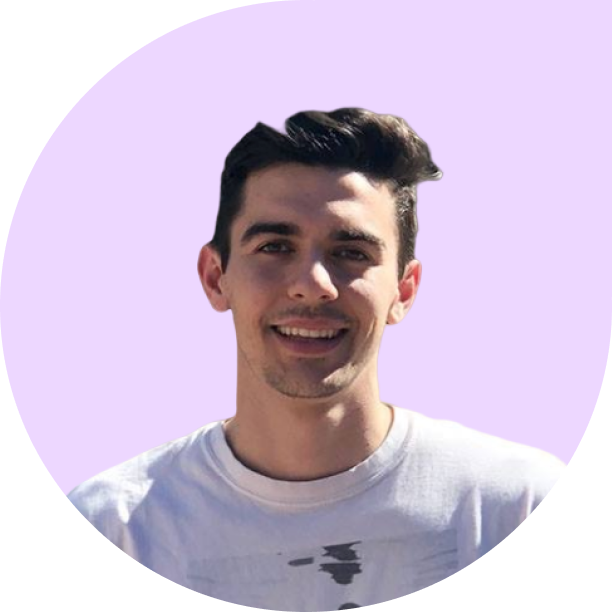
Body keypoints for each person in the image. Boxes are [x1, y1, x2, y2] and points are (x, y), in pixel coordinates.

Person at [67, 108, 566, 608]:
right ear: (216, 277)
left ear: (404, 290)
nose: (312, 285)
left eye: (351, 252)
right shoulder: (117, 527)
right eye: (275, 246)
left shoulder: (512, 508)